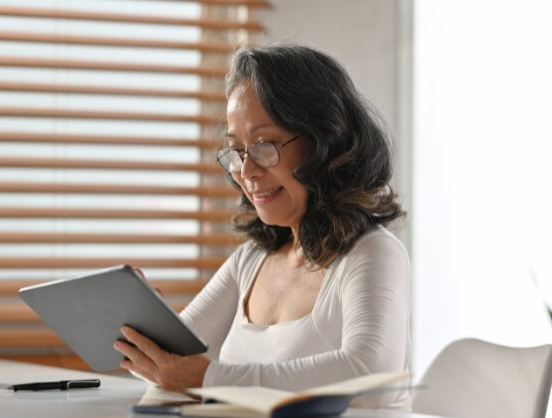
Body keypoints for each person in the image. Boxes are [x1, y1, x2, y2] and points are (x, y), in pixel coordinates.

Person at [113, 44, 411, 409]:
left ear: (324, 142)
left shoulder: (373, 253)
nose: (247, 171)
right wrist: (147, 322)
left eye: (264, 145)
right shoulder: (250, 261)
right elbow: (168, 368)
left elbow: (369, 372)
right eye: (237, 150)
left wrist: (208, 379)